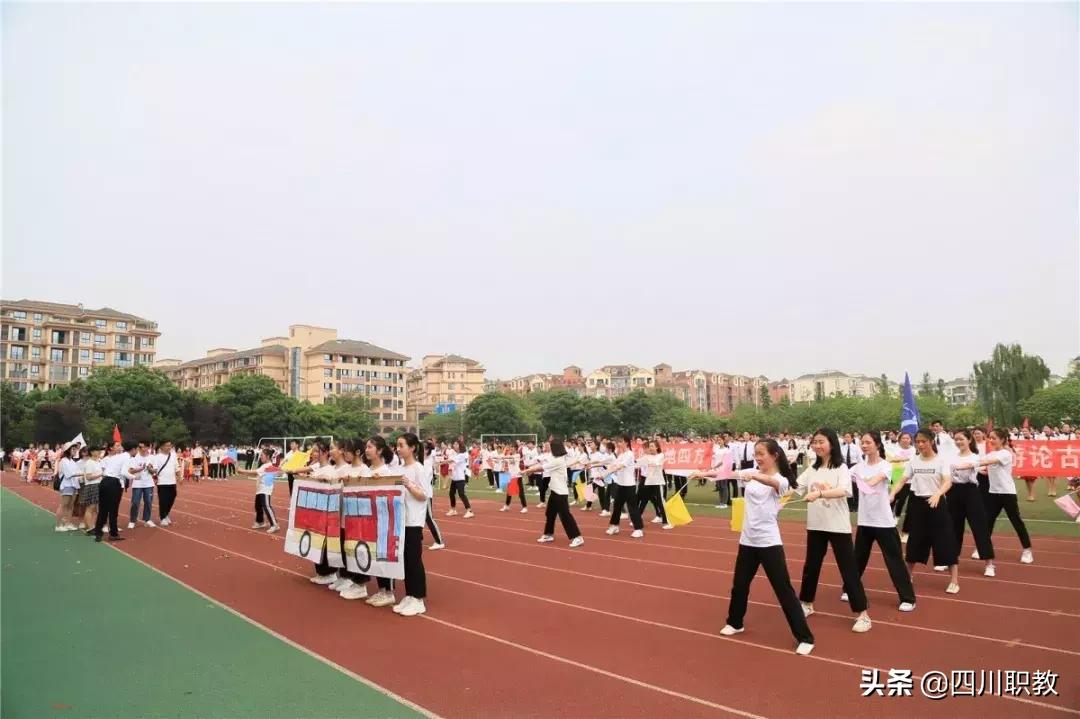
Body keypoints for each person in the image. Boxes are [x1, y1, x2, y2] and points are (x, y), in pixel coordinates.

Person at [719, 439, 815, 656]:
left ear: (774, 456)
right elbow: (730, 474)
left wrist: (752, 475)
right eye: (756, 453)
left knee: (784, 590)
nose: (757, 457)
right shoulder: (753, 472)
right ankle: (735, 622)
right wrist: (703, 473)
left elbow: (771, 483)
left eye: (761, 453)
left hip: (769, 542)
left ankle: (805, 637)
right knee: (739, 586)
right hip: (748, 540)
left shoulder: (780, 480)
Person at [794, 428, 872, 633]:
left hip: (837, 526)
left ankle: (863, 614)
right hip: (816, 525)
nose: (817, 446)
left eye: (821, 441)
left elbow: (844, 491)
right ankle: (806, 603)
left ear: (831, 444)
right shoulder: (812, 468)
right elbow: (795, 486)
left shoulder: (841, 468)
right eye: (814, 442)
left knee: (848, 569)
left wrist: (819, 493)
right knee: (811, 566)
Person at [842, 432, 916, 611]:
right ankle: (849, 589)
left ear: (877, 445)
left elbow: (875, 482)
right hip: (865, 521)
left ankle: (908, 598)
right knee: (857, 559)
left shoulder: (886, 466)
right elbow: (843, 480)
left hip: (884, 522)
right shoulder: (857, 468)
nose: (864, 446)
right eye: (862, 443)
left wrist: (863, 482)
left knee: (894, 560)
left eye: (868, 443)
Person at [890, 428, 960, 594]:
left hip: (936, 504)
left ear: (931, 442)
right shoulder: (913, 461)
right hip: (918, 504)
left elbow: (947, 481)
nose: (920, 445)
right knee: (915, 541)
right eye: (918, 442)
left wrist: (937, 494)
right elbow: (902, 481)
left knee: (945, 541)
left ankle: (954, 580)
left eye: (924, 441)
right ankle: (908, 576)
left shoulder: (941, 461)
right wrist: (892, 494)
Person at [975, 428, 1034, 564]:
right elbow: (982, 464)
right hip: (993, 492)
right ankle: (983, 548)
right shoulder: (992, 454)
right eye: (989, 438)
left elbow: (986, 462)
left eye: (994, 438)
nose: (991, 440)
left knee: (1016, 521)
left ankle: (1027, 550)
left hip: (1007, 493)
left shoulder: (1005, 453)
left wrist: (974, 464)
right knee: (987, 522)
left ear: (1002, 439)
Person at [944, 430, 996, 576]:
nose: (958, 442)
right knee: (953, 528)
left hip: (971, 492)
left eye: (961, 439)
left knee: (979, 527)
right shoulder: (951, 456)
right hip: (953, 492)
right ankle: (951, 560)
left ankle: (989, 564)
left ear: (969, 440)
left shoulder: (975, 456)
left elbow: (969, 465)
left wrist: (956, 467)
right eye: (956, 439)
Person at [521, 437, 584, 547]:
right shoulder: (555, 458)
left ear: (555, 448)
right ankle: (548, 534)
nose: (547, 447)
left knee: (565, 515)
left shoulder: (558, 461)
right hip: (555, 491)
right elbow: (541, 464)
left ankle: (577, 537)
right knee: (550, 513)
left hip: (560, 493)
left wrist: (527, 470)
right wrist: (530, 469)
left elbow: (542, 468)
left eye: (550, 445)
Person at [394, 433, 431, 616]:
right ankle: (409, 595)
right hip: (401, 519)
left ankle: (418, 598)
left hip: (414, 521)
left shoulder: (418, 468)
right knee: (406, 559)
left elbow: (424, 495)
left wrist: (408, 484)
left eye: (401, 445)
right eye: (397, 445)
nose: (398, 448)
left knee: (414, 559)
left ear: (412, 447)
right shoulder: (400, 468)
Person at [595, 435, 645, 538]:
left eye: (621, 441)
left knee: (632, 507)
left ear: (626, 442)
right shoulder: (621, 455)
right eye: (618, 442)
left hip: (629, 485)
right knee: (617, 506)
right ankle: (614, 526)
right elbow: (613, 466)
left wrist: (610, 471)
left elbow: (619, 467)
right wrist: (603, 475)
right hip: (620, 484)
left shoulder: (630, 454)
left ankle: (638, 529)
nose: (618, 443)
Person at [237, 448, 281, 534]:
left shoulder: (267, 466)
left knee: (267, 506)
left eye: (262, 455)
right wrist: (241, 472)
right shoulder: (264, 465)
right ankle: (260, 522)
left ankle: (274, 524)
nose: (260, 457)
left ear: (268, 456)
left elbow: (254, 473)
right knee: (258, 506)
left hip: (265, 490)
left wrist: (241, 471)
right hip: (260, 489)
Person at [94, 442, 129, 542]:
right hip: (111, 483)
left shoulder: (119, 457)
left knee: (107, 509)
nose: (120, 447)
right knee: (109, 509)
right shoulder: (107, 459)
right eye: (117, 446)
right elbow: (123, 472)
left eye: (120, 445)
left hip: (114, 484)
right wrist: (134, 476)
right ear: (111, 448)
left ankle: (102, 532)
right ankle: (109, 532)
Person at [887, 432, 916, 542]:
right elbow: (891, 459)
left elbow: (912, 460)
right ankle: (889, 519)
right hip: (896, 475)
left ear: (910, 440)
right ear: (899, 440)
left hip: (909, 478)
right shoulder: (894, 448)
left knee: (903, 499)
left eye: (907, 438)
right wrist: (903, 459)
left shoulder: (914, 450)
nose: (905, 440)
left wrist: (900, 459)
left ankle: (897, 517)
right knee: (893, 498)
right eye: (903, 438)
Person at [637, 440, 672, 529]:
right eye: (650, 446)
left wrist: (649, 462)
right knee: (644, 499)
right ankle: (637, 520)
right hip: (649, 482)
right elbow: (636, 463)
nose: (651, 448)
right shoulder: (646, 457)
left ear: (657, 447)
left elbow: (657, 463)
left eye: (652, 446)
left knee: (660, 501)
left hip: (657, 482)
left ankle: (666, 522)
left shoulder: (661, 455)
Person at [126, 443, 156, 529]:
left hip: (149, 483)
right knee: (135, 502)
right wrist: (139, 469)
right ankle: (132, 520)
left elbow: (154, 471)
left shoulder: (152, 458)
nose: (143, 449)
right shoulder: (134, 458)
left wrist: (150, 469)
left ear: (148, 447)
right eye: (140, 447)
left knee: (148, 502)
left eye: (145, 447)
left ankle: (147, 519)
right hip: (137, 483)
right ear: (138, 448)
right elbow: (130, 471)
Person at [55, 444, 83, 532]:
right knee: (64, 505)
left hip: (74, 485)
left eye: (75, 449)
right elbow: (69, 474)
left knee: (71, 505)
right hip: (67, 485)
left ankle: (67, 523)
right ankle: (59, 525)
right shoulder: (63, 461)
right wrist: (84, 474)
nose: (75, 451)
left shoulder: (72, 461)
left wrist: (81, 474)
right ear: (68, 450)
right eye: (73, 449)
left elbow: (77, 472)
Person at [422, 440, 445, 550]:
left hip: (425, 494)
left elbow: (424, 479)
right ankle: (419, 538)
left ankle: (439, 541)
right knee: (418, 517)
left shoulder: (429, 461)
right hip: (418, 493)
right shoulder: (419, 461)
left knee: (428, 518)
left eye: (422, 448)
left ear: (426, 450)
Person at [76, 445, 104, 534]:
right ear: (92, 452)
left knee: (95, 508)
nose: (99, 452)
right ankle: (89, 527)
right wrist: (101, 474)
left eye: (100, 451)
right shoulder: (89, 463)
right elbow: (88, 477)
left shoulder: (98, 462)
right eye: (97, 450)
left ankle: (93, 526)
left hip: (98, 485)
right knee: (90, 508)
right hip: (92, 486)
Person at [152, 441, 179, 527]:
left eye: (170, 445)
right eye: (167, 446)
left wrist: (180, 477)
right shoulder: (157, 457)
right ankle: (162, 517)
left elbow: (176, 467)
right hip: (162, 482)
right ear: (162, 447)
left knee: (172, 497)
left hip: (172, 481)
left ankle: (166, 513)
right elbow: (155, 469)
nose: (169, 447)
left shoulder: (173, 455)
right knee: (163, 500)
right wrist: (151, 470)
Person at [445, 439, 474, 518]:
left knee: (461, 494)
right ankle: (453, 509)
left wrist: (441, 461)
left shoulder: (463, 454)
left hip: (460, 478)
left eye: (456, 444)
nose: (454, 446)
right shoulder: (456, 454)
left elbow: (451, 460)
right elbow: (451, 461)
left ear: (460, 445)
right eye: (454, 444)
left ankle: (469, 511)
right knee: (451, 493)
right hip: (455, 477)